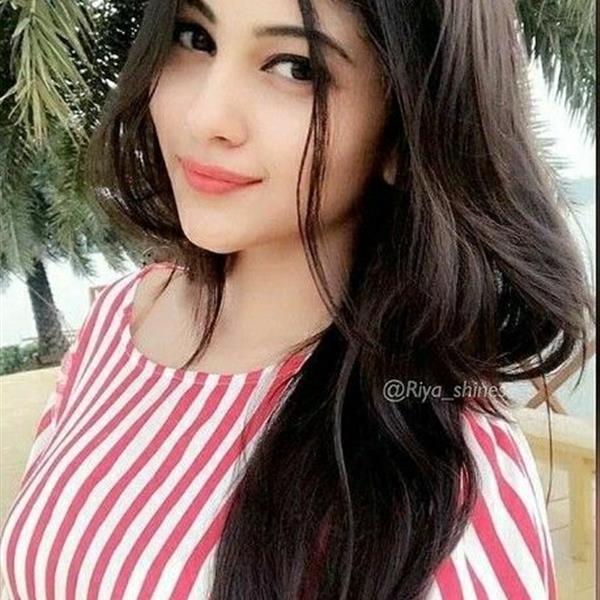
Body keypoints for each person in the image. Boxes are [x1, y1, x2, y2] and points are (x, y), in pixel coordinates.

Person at [0, 0, 594, 598]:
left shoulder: (438, 481)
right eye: (195, 38)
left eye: (295, 67)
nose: (205, 116)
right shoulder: (117, 320)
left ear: (404, 129)